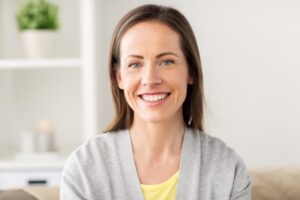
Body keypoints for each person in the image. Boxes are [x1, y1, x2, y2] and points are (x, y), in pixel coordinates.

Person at [60, 4, 252, 200]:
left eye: (166, 62)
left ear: (191, 72)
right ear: (119, 78)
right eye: (135, 64)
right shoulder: (84, 168)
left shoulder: (228, 169)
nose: (150, 79)